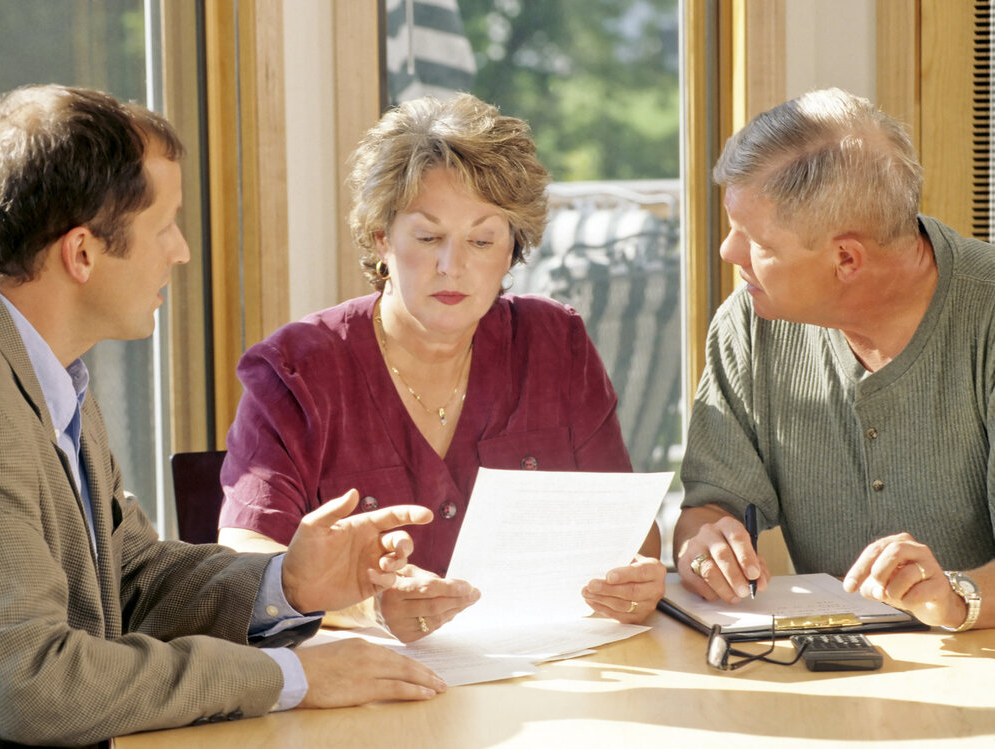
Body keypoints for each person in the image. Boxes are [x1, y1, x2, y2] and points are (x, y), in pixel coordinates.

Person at [0, 84, 446, 749]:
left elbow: (126, 583)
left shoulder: (43, 371)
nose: (181, 251)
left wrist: (287, 582)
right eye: (165, 227)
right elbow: (26, 681)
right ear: (82, 254)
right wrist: (287, 676)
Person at [218, 93, 665, 643]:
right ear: (383, 239)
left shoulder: (555, 344)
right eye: (428, 237)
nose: (452, 266)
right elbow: (247, 557)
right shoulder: (294, 371)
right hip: (371, 695)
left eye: (482, 240)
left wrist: (632, 583)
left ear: (512, 251)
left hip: (545, 677)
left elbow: (630, 533)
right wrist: (368, 609)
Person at [674, 87, 993, 632]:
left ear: (846, 258)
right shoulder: (748, 322)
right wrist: (706, 546)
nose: (729, 253)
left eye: (756, 241)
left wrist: (958, 596)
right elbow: (708, 509)